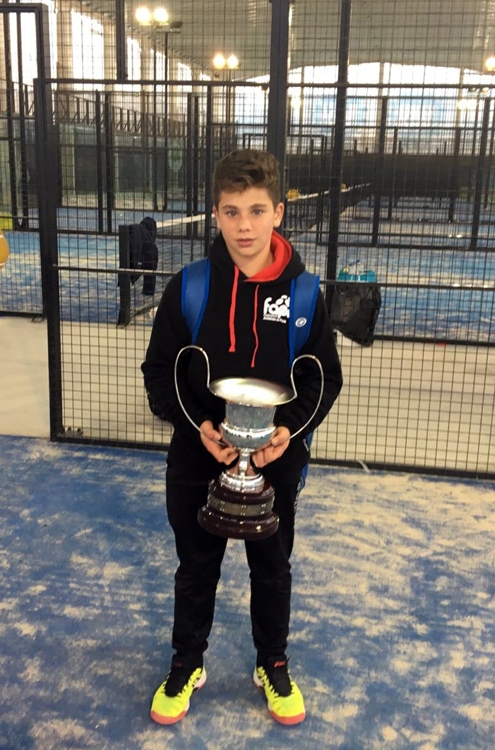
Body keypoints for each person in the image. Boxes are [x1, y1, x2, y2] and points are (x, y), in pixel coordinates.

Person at [141, 149, 343, 726]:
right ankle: (186, 664)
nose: (245, 226)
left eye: (257, 210)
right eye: (232, 212)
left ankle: (272, 663)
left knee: (272, 567)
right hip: (199, 451)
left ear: (279, 212)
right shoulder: (191, 287)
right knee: (195, 565)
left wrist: (287, 433)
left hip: (276, 457)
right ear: (216, 215)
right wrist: (198, 429)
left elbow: (322, 379)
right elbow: (160, 374)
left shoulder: (304, 294)